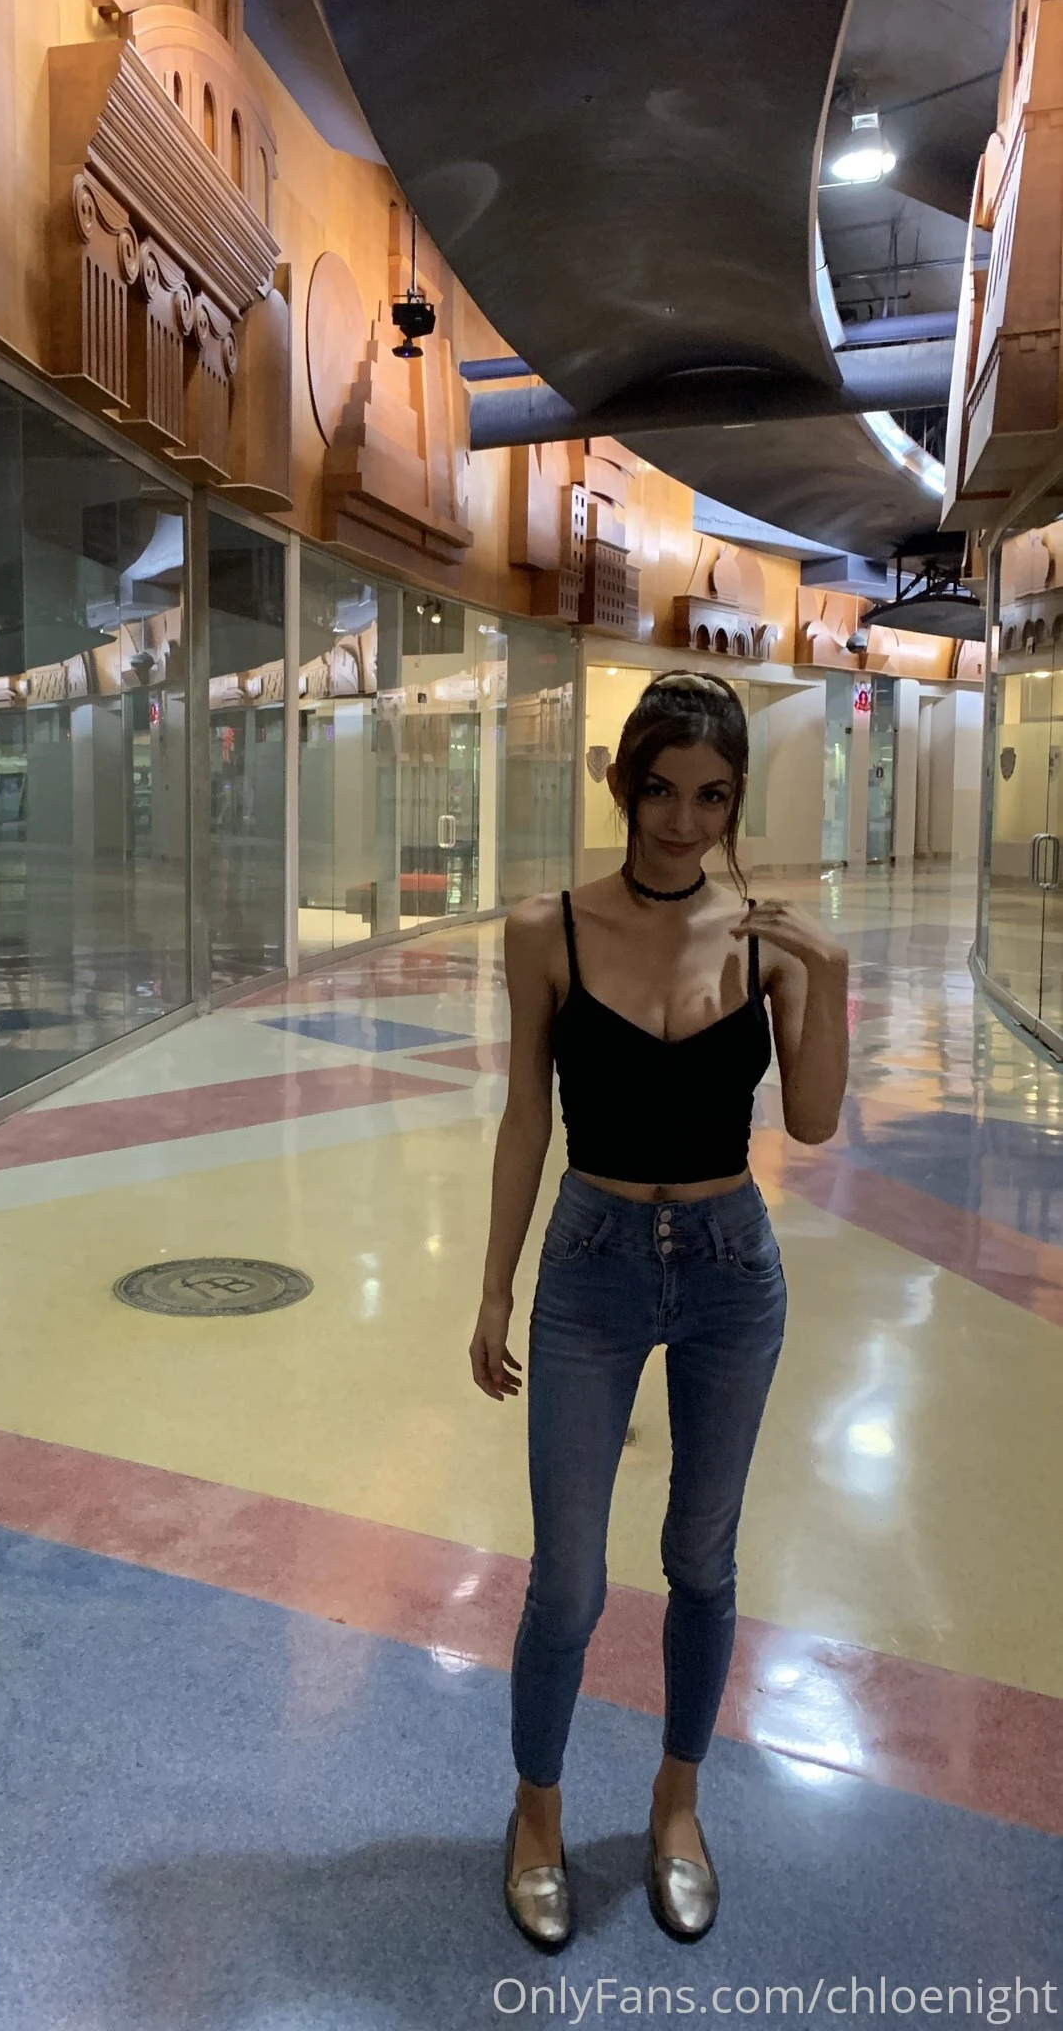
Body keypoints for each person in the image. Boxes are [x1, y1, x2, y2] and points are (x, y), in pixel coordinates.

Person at [470, 670, 849, 1950]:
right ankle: (536, 1816)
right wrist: (495, 1283)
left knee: (703, 1560)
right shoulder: (548, 931)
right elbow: (526, 1117)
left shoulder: (765, 942)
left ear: (735, 801)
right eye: (662, 792)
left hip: (733, 1270)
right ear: (624, 786)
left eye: (712, 797)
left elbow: (811, 1120)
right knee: (569, 1581)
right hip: (591, 1261)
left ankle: (677, 1806)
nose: (684, 823)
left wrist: (833, 975)